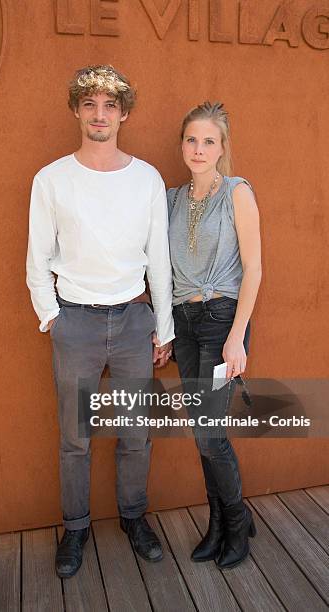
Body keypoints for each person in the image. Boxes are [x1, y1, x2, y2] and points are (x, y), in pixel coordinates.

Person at [26, 65, 174, 578]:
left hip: (135, 320)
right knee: (76, 438)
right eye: (89, 104)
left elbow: (159, 258)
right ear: (76, 110)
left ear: (124, 114)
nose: (99, 115)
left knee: (135, 432)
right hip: (77, 324)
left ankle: (134, 518)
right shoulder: (51, 179)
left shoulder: (147, 178)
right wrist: (52, 317)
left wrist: (165, 326)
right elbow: (37, 256)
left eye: (110, 105)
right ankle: (76, 527)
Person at [168, 101, 262, 569]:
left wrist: (237, 338)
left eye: (208, 141)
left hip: (223, 321)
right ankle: (220, 524)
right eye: (191, 139)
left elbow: (255, 268)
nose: (198, 148)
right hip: (184, 323)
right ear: (182, 144)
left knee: (209, 434)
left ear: (222, 147)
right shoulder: (171, 199)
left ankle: (237, 521)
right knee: (203, 430)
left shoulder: (237, 193)